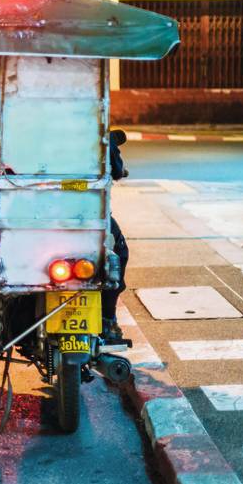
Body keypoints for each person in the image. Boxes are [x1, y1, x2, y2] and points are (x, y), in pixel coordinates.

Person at [102, 129, 130, 344]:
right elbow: (118, 171)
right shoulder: (96, 128)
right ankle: (108, 319)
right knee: (118, 253)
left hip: (33, 219)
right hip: (89, 217)